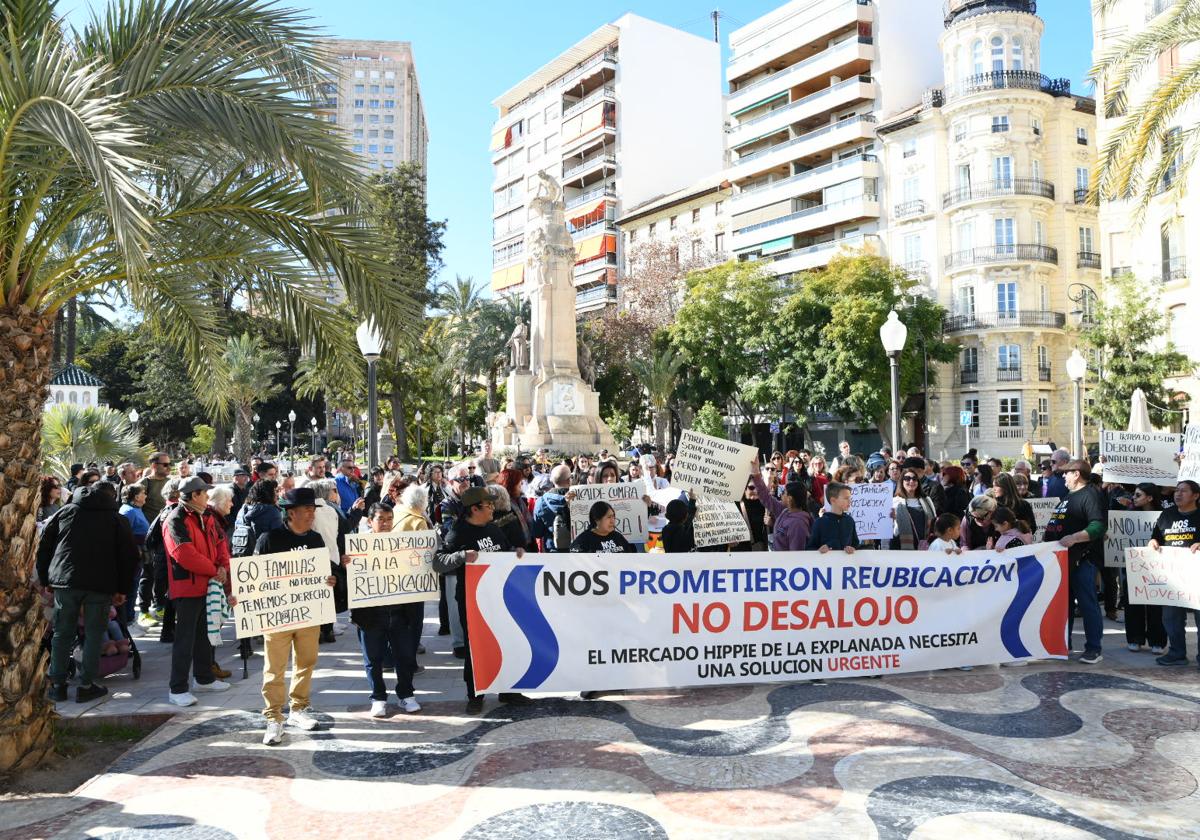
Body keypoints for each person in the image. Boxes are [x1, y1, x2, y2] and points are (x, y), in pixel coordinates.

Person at [434, 486, 532, 714]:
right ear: (474, 508)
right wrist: (461, 556)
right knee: (475, 647)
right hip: (473, 601)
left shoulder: (493, 529)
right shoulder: (458, 532)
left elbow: (505, 550)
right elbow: (439, 562)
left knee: (507, 642)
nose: (492, 508)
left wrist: (515, 551)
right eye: (488, 505)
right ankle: (475, 694)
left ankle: (508, 690)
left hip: (500, 598)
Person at [37, 482, 138, 703]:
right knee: (94, 634)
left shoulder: (65, 512)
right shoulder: (114, 518)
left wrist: (46, 579)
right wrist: (122, 589)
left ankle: (57, 685)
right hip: (100, 585)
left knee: (62, 634)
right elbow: (129, 555)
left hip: (66, 582)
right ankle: (86, 685)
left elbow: (44, 544)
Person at [254, 487, 338, 745]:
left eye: (314, 510)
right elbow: (254, 577)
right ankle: (274, 717)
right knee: (275, 667)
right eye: (308, 510)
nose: (312, 514)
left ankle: (298, 709)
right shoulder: (269, 539)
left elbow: (322, 571)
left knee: (307, 661)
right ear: (291, 513)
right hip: (277, 615)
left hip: (308, 613)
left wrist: (330, 580)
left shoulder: (315, 539)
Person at [162, 477, 232, 706]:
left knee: (205, 635)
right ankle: (178, 688)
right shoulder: (175, 519)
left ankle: (204, 678)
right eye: (204, 492)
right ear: (194, 495)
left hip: (209, 584)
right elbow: (183, 554)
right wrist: (215, 569)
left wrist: (222, 566)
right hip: (188, 587)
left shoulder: (208, 515)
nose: (208, 496)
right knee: (185, 639)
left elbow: (221, 543)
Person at [353, 504, 424, 717]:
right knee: (373, 659)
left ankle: (406, 694)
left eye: (389, 519)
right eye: (381, 519)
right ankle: (378, 697)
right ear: (370, 521)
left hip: (400, 613)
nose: (385, 523)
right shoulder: (358, 546)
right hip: (370, 615)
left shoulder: (403, 544)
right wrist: (348, 563)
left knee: (404, 656)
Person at [1042, 460, 1108, 664]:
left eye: (1066, 473)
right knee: (1064, 605)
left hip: (1082, 560)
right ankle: (1064, 644)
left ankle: (1093, 649)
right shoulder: (1069, 495)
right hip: (1063, 561)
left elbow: (1098, 526)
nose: (1063, 476)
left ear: (1077, 474)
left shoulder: (1090, 495)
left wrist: (1075, 538)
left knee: (1088, 604)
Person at [1149, 480, 1200, 667]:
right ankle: (1177, 653)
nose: (1178, 494)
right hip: (1172, 578)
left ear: (1195, 496)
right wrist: (1153, 542)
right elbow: (1156, 536)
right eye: (1176, 491)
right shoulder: (1166, 515)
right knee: (1170, 617)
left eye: (1183, 491)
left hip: (1197, 577)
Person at [1125, 484, 1167, 654]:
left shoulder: (1164, 517)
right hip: (1134, 564)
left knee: (1156, 603)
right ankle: (1135, 638)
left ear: (1150, 498)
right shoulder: (1127, 515)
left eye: (1138, 495)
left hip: (1157, 566)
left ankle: (1157, 640)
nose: (1133, 498)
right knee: (1132, 601)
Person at [750, 459, 812, 551]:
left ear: (789, 498)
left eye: (783, 492)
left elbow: (796, 554)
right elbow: (765, 497)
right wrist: (756, 473)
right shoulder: (783, 510)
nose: (781, 494)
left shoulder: (798, 523)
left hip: (787, 564)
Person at [531, 464, 572, 552]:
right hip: (578, 549)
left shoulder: (541, 502)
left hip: (553, 550)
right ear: (569, 480)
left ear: (552, 481)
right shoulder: (579, 498)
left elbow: (537, 533)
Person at [892, 468, 935, 551]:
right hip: (900, 547)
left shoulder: (927, 500)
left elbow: (934, 522)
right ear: (902, 482)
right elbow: (890, 530)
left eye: (914, 479)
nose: (911, 481)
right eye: (907, 478)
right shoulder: (894, 502)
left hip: (925, 547)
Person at [808, 483, 858, 553]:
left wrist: (852, 548)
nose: (850, 501)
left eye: (850, 498)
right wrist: (819, 550)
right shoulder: (819, 523)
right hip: (826, 563)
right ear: (833, 500)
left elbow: (855, 544)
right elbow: (810, 547)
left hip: (847, 563)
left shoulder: (850, 520)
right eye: (846, 498)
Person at [570, 501, 636, 553]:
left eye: (613, 516)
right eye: (609, 517)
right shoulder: (583, 540)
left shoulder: (618, 537)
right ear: (597, 520)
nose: (612, 521)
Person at [137, 452, 172, 526]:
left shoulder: (171, 482)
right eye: (165, 465)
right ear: (154, 465)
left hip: (168, 525)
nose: (169, 467)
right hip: (152, 528)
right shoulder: (143, 483)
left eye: (170, 464)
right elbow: (136, 509)